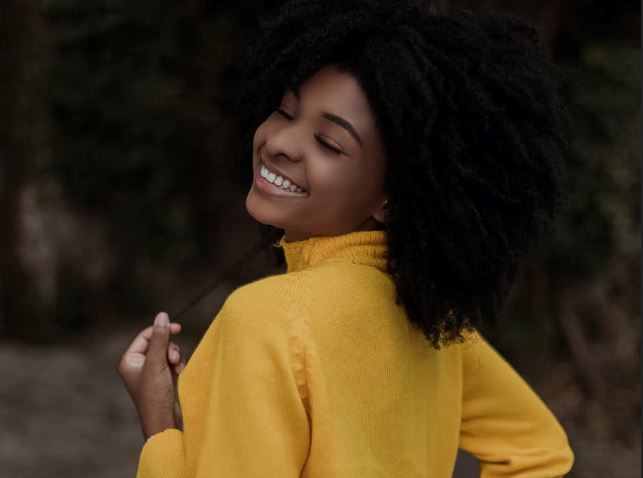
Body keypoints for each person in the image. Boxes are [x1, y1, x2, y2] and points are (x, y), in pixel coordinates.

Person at [118, 0, 575, 476]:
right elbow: (538, 452)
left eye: (329, 143)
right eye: (285, 110)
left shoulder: (264, 320)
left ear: (393, 197)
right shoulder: (436, 324)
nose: (279, 142)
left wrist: (160, 429)